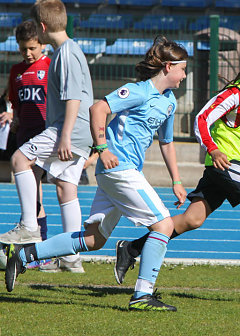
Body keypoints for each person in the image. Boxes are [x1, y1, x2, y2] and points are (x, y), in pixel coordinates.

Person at [5, 35, 188, 312]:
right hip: (119, 170)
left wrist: (176, 180)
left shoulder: (169, 101)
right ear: (167, 67)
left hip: (122, 172)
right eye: (183, 68)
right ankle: (142, 295)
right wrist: (102, 149)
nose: (185, 75)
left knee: (93, 239)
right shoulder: (138, 91)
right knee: (164, 225)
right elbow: (98, 108)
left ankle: (24, 254)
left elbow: (166, 142)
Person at [114, 42, 240, 296]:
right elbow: (201, 118)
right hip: (226, 163)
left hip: (229, 166)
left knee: (192, 220)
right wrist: (213, 149)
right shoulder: (235, 94)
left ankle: (131, 248)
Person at [2, 0, 94, 273]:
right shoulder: (66, 52)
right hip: (78, 132)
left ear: (42, 28)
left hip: (69, 130)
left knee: (20, 160)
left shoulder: (66, 53)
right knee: (67, 189)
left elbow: (74, 97)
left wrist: (64, 136)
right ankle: (71, 257)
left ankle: (29, 227)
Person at [0, 20, 51, 247]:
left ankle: (39, 241)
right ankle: (36, 243)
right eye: (23, 49)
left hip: (45, 134)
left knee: (37, 187)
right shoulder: (16, 71)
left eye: (32, 48)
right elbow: (14, 100)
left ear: (42, 44)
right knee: (32, 188)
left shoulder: (50, 66)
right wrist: (14, 116)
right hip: (25, 135)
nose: (28, 53)